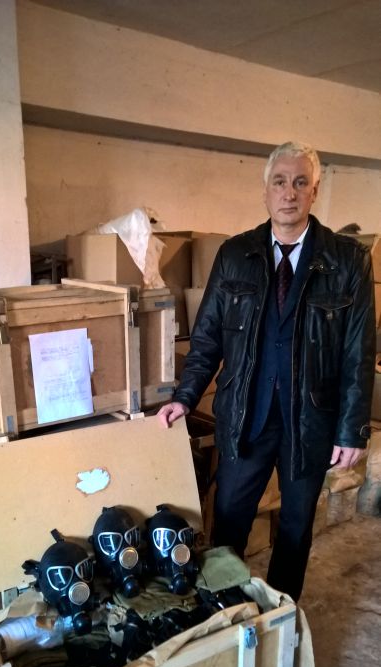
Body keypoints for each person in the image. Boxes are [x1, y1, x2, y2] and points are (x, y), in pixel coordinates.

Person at [158, 141, 375, 602]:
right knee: (229, 521)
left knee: (295, 530)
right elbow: (207, 337)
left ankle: (280, 615)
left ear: (314, 191)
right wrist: (185, 397)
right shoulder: (235, 254)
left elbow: (358, 351)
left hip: (310, 422)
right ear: (265, 191)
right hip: (245, 417)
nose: (289, 193)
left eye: (300, 182)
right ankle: (225, 610)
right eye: (279, 182)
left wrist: (352, 429)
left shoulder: (348, 261)